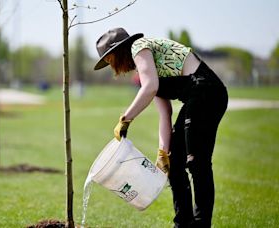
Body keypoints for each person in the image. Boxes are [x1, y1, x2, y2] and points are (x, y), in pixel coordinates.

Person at [93, 28, 228, 228]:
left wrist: (125, 119)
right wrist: (163, 152)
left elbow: (150, 88)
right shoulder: (147, 68)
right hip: (196, 97)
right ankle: (183, 223)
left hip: (206, 92)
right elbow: (165, 113)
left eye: (110, 59)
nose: (111, 66)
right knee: (174, 164)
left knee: (197, 163)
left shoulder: (139, 47)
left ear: (119, 50)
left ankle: (201, 224)